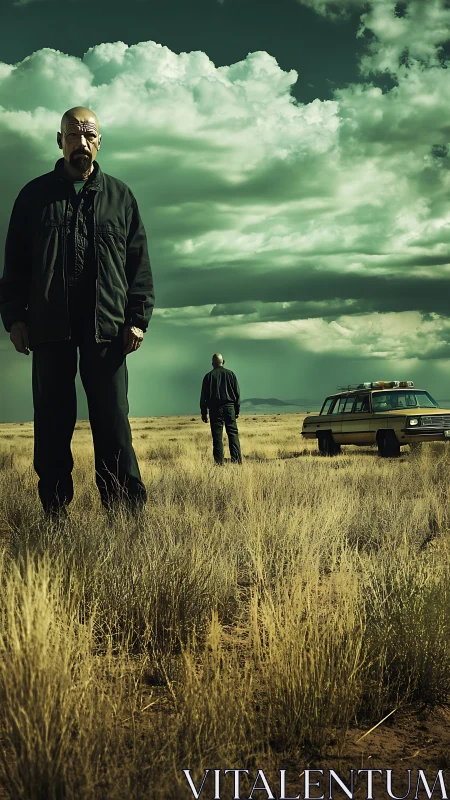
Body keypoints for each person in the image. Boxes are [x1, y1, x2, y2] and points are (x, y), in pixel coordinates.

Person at [0, 106, 154, 517]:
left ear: (100, 141)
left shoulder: (120, 196)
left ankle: (125, 514)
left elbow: (138, 263)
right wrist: (15, 318)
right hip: (50, 327)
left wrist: (138, 318)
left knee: (113, 423)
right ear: (60, 141)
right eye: (73, 135)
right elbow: (13, 264)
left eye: (89, 135)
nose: (81, 143)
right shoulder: (33, 197)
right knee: (51, 423)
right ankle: (54, 512)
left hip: (107, 328)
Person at [200, 353, 242, 465]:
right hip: (229, 408)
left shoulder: (208, 377)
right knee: (233, 434)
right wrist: (236, 410)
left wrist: (204, 413)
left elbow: (203, 396)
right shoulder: (231, 374)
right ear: (223, 362)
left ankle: (219, 463)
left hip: (215, 409)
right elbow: (237, 394)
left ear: (212, 363)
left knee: (217, 437)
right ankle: (237, 461)